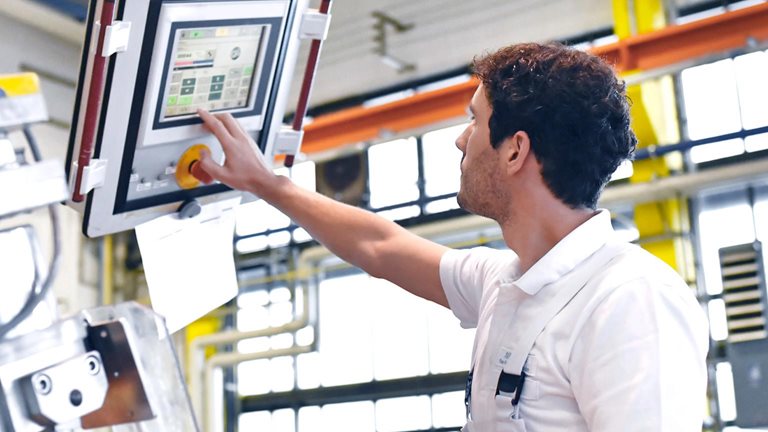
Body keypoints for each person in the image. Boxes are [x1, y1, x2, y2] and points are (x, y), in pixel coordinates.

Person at [193, 42, 709, 431]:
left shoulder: (629, 299)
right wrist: (266, 183)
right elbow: (381, 247)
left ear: (515, 150)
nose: (460, 140)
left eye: (474, 121)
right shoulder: (506, 282)